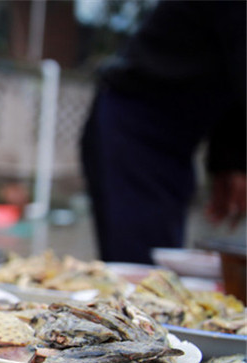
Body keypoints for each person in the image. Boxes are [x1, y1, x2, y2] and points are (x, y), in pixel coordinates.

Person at [80, 0, 246, 265]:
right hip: (135, 123)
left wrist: (231, 159)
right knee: (143, 268)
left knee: (162, 264)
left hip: (180, 139)